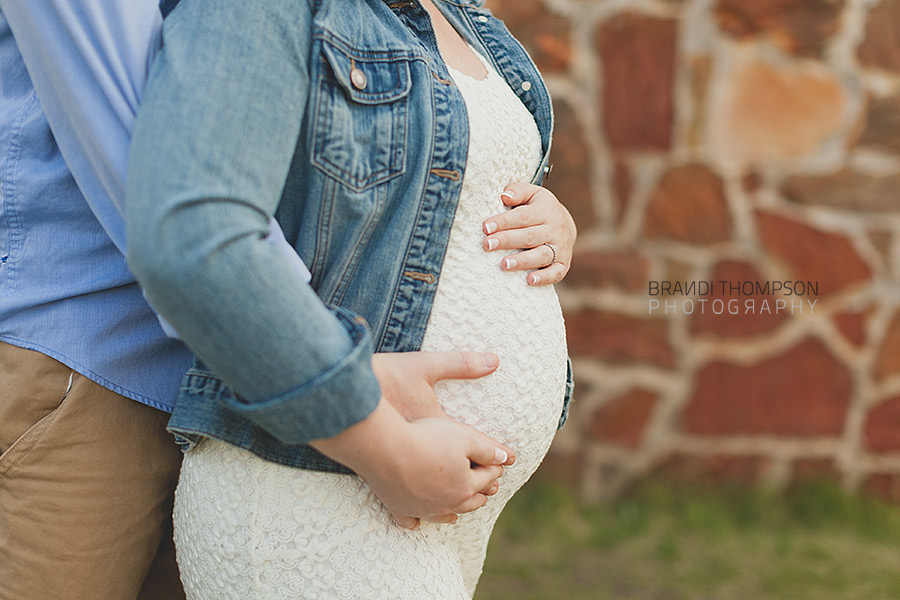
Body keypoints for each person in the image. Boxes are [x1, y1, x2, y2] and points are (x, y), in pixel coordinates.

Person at [0, 0, 573, 598]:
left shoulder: (446, 14)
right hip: (104, 356)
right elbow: (181, 208)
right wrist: (346, 390)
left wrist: (542, 218)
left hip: (283, 398)